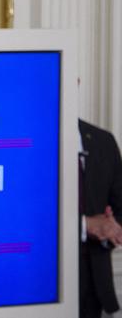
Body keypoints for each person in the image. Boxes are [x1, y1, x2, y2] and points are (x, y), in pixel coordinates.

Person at [79, 119, 122, 317]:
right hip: (44, 289)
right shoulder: (31, 138)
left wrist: (110, 230)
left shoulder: (103, 141)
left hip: (97, 290)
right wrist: (84, 225)